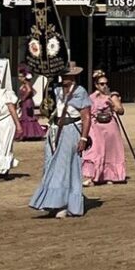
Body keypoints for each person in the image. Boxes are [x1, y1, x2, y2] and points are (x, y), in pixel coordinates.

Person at [29, 63, 91, 218]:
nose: (64, 78)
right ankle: (53, 201)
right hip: (55, 130)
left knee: (64, 166)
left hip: (71, 130)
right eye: (63, 75)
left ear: (73, 76)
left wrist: (83, 137)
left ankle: (63, 204)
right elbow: (46, 107)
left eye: (67, 76)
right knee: (50, 164)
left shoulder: (80, 92)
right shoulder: (55, 90)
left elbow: (86, 117)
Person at [82, 70, 127, 186]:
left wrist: (112, 103)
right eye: (101, 84)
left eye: (106, 83)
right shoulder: (91, 97)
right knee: (95, 151)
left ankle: (111, 176)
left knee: (111, 152)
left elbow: (121, 111)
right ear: (96, 85)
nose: (104, 86)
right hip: (96, 127)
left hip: (110, 126)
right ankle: (92, 177)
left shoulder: (113, 96)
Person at [16, 68, 46, 141]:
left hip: (27, 103)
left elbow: (29, 91)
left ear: (24, 77)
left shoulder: (26, 83)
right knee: (25, 117)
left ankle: (28, 134)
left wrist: (23, 99)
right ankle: (26, 134)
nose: (19, 78)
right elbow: (34, 91)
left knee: (28, 118)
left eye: (20, 76)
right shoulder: (25, 84)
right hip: (26, 102)